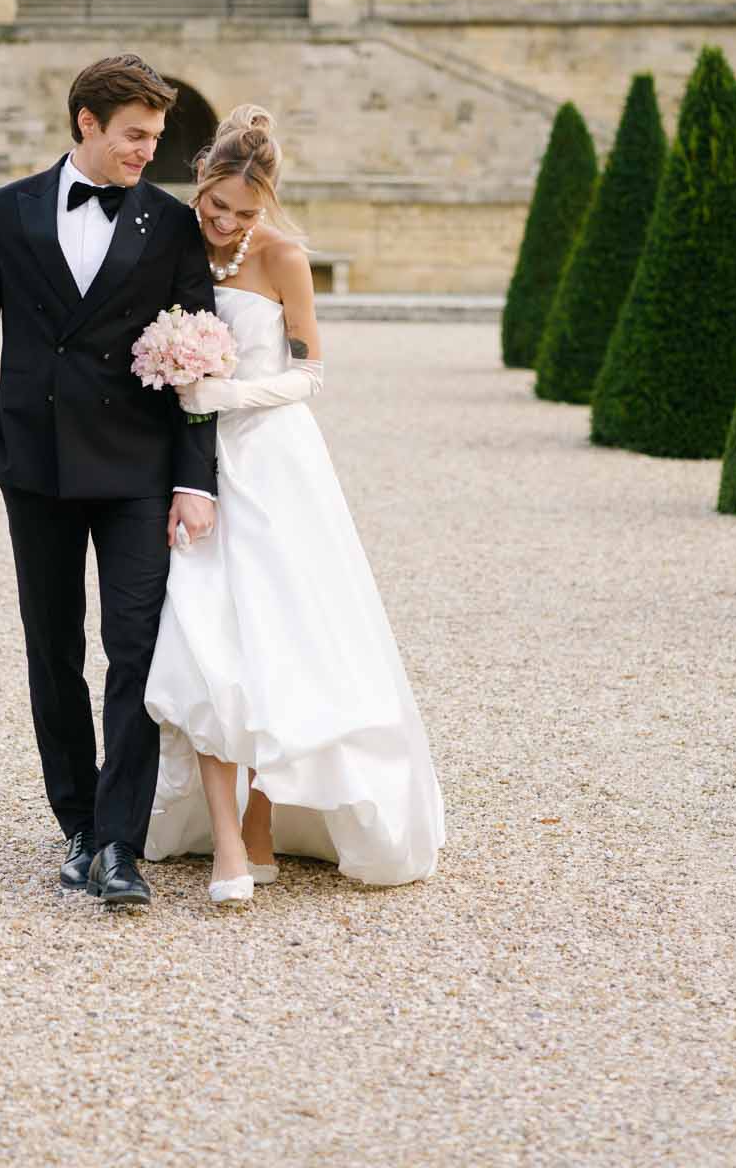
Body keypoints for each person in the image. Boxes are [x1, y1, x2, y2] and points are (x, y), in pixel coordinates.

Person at [144, 105, 445, 901]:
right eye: (216, 206)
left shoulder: (283, 256)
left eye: (243, 213)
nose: (224, 222)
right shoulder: (173, 238)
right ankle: (227, 848)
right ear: (200, 183)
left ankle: (260, 827)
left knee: (281, 639)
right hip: (191, 463)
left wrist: (225, 390)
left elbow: (311, 374)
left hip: (271, 460)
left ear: (266, 206)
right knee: (204, 635)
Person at [0, 54, 218, 912]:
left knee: (135, 649)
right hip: (34, 465)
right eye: (135, 136)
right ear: (86, 124)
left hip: (136, 466)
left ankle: (118, 842)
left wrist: (195, 479)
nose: (148, 152)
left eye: (157, 138)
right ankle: (74, 821)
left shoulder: (170, 225)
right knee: (53, 648)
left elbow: (200, 357)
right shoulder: (7, 210)